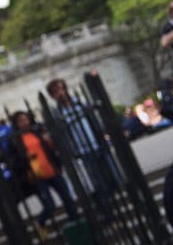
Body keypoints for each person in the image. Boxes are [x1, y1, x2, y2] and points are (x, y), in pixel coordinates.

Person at [45, 77, 121, 213]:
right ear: (52, 95)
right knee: (97, 181)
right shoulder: (57, 113)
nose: (60, 92)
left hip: (97, 143)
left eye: (62, 88)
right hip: (82, 150)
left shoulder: (79, 103)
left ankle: (117, 198)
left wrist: (101, 131)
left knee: (112, 174)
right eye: (56, 91)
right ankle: (107, 208)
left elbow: (93, 119)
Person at [10, 110, 77, 236]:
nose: (24, 122)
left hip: (51, 170)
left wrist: (57, 163)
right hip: (37, 175)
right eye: (21, 121)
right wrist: (25, 158)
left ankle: (75, 223)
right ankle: (40, 223)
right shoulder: (15, 140)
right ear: (16, 124)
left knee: (67, 197)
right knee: (50, 206)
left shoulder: (36, 132)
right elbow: (13, 162)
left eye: (26, 119)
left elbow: (50, 149)